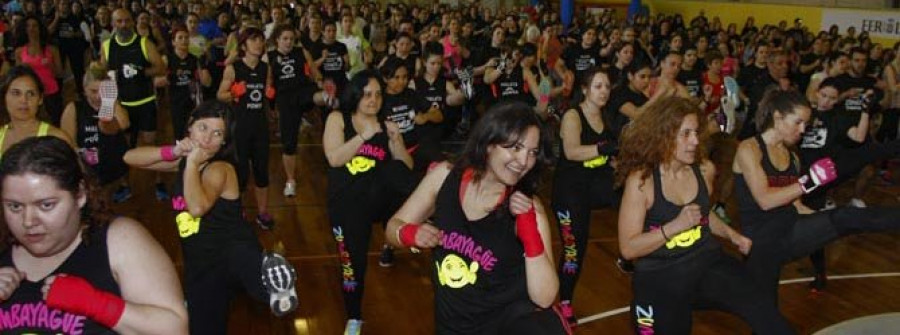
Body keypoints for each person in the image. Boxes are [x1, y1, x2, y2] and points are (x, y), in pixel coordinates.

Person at [385, 101, 569, 335]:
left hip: (508, 324)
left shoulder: (528, 207)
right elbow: (392, 229)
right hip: (454, 326)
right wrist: (410, 233)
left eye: (532, 152)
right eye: (515, 147)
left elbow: (545, 297)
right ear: (490, 143)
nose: (524, 161)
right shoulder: (444, 177)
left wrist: (529, 229)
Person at [616, 96, 794, 334]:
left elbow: (702, 214)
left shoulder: (703, 169)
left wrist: (732, 235)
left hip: (705, 260)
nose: (695, 141)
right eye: (686, 134)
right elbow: (628, 248)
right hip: (660, 276)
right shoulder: (642, 181)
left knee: (763, 307)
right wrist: (673, 227)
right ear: (664, 135)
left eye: (696, 133)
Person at [123, 100, 298, 335]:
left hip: (233, 252)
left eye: (217, 134)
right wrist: (172, 152)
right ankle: (268, 275)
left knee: (261, 285)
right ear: (190, 127)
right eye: (203, 128)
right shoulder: (184, 162)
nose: (207, 139)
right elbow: (130, 157)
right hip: (201, 264)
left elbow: (196, 208)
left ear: (224, 141)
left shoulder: (221, 169)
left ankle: (271, 274)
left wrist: (192, 163)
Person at [0, 136, 188, 334]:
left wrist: (98, 305)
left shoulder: (119, 240)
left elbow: (175, 329)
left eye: (46, 205)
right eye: (15, 206)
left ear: (80, 194)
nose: (28, 221)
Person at [733, 88, 900, 307]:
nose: (803, 130)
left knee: (845, 218)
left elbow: (796, 205)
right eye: (798, 122)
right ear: (777, 117)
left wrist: (824, 224)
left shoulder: (791, 156)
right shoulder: (749, 148)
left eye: (806, 124)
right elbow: (765, 200)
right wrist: (810, 181)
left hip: (789, 231)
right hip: (762, 243)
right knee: (767, 319)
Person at [323, 70, 415, 335]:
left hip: (378, 199)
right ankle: (354, 318)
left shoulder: (386, 126)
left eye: (377, 94)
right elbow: (334, 158)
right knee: (353, 267)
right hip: (347, 206)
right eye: (366, 94)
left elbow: (405, 169)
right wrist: (364, 135)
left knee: (399, 173)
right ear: (355, 95)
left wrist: (396, 141)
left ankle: (426, 219)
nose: (372, 100)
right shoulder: (338, 118)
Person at [551, 68, 619, 327]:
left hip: (592, 190)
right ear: (585, 89)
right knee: (573, 251)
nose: (604, 91)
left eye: (607, 87)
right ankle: (564, 301)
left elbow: (608, 159)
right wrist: (603, 148)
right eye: (598, 86)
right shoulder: (573, 115)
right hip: (568, 194)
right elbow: (571, 152)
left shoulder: (606, 118)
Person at [99, 8, 167, 200]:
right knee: (124, 147)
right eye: (119, 21)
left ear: (133, 22)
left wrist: (141, 72)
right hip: (122, 105)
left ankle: (159, 181)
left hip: (145, 102)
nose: (123, 25)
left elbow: (160, 67)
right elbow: (103, 75)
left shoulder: (144, 43)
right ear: (113, 24)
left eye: (127, 21)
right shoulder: (107, 46)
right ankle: (124, 185)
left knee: (150, 143)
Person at [217, 27, 275, 229]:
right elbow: (219, 95)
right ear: (243, 45)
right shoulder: (233, 68)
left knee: (261, 170)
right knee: (240, 172)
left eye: (261, 40)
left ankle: (262, 213)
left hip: (260, 127)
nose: (258, 44)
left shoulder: (265, 68)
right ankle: (238, 211)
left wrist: (270, 95)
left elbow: (268, 92)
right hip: (240, 127)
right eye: (254, 40)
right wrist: (233, 92)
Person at [60, 64, 131, 204]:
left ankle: (124, 187)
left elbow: (124, 124)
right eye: (93, 91)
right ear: (84, 90)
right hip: (89, 165)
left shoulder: (111, 103)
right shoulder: (74, 108)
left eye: (102, 91)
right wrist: (82, 154)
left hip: (114, 160)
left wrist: (110, 103)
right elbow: (68, 142)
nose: (98, 96)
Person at [264, 24, 317, 198]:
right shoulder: (269, 57)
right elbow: (268, 82)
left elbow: (315, 74)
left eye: (291, 39)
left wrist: (320, 82)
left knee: (320, 97)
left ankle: (324, 101)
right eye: (285, 39)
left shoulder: (302, 52)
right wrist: (270, 104)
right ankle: (290, 180)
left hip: (304, 92)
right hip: (285, 100)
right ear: (277, 40)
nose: (288, 42)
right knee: (289, 144)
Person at [0, 66, 72, 158]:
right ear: (4, 97)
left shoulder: (57, 138)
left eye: (31, 94)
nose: (23, 100)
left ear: (40, 99)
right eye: (16, 93)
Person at [15, 15, 63, 125]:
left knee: (56, 122)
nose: (31, 28)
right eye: (28, 26)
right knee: (31, 123)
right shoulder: (19, 51)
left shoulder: (52, 49)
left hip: (51, 91)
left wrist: (50, 65)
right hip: (31, 93)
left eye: (34, 26)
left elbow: (60, 73)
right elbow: (18, 76)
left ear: (40, 28)